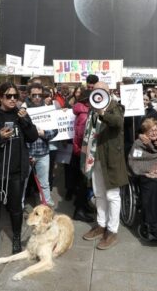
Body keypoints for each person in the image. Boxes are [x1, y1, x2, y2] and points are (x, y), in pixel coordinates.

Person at [0, 83, 38, 265]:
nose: (12, 99)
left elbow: (33, 136)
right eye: (8, 96)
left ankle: (17, 239)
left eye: (15, 96)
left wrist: (26, 120)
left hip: (15, 172)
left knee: (15, 208)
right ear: (0, 97)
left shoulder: (21, 116)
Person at [81, 82, 128, 250]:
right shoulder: (92, 108)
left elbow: (118, 122)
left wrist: (102, 113)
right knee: (99, 194)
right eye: (94, 91)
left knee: (112, 196)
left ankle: (112, 231)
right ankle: (101, 225)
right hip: (95, 158)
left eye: (101, 91)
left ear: (108, 92)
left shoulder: (116, 107)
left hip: (110, 159)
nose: (97, 94)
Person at [22, 83, 55, 208]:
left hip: (43, 153)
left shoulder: (48, 109)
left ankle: (46, 201)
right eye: (34, 95)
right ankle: (19, 204)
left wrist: (44, 133)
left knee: (44, 182)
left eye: (39, 95)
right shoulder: (22, 110)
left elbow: (55, 131)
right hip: (27, 153)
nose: (37, 97)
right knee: (23, 181)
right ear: (29, 95)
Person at [71, 89, 93, 222]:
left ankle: (83, 206)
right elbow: (81, 136)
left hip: (82, 151)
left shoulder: (84, 112)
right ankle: (79, 211)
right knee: (83, 182)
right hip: (83, 152)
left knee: (84, 182)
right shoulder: (85, 114)